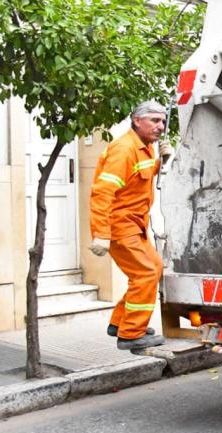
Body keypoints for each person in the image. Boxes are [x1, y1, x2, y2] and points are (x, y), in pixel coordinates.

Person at [89, 101, 173, 350]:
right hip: (120, 226)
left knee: (153, 268)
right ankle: (131, 334)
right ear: (137, 121)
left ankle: (120, 322)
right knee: (145, 274)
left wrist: (162, 161)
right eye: (155, 121)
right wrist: (101, 234)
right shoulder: (124, 149)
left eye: (162, 121)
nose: (161, 126)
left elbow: (137, 177)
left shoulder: (144, 148)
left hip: (135, 224)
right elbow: (102, 193)